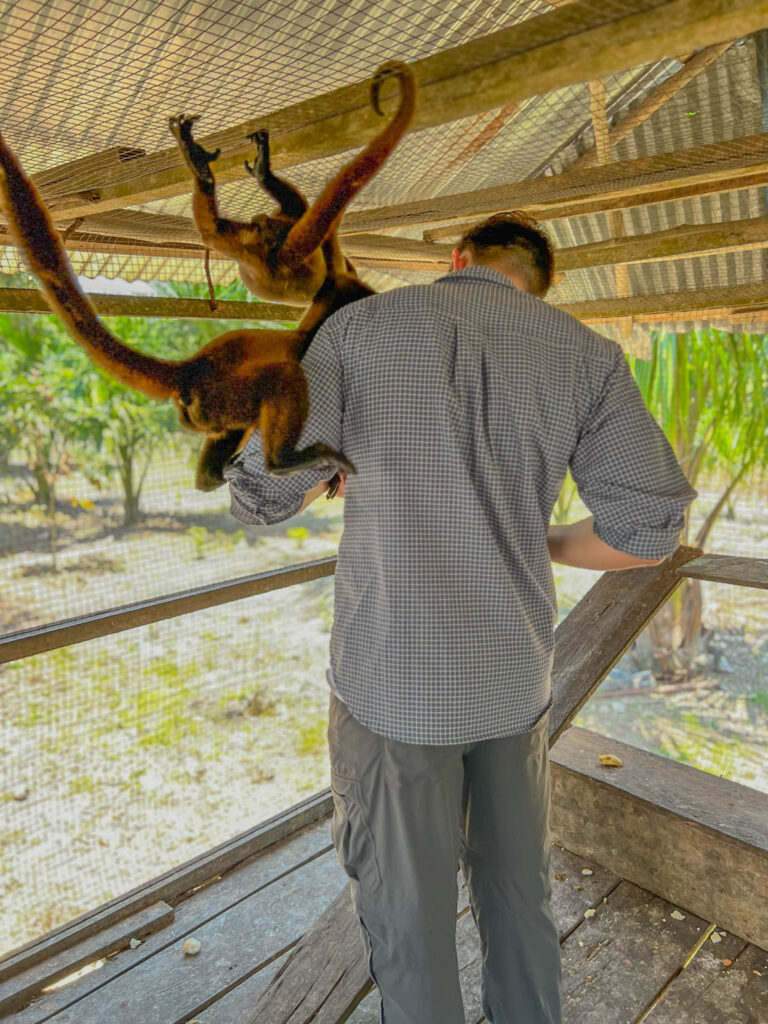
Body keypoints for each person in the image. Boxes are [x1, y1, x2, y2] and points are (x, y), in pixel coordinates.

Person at [224, 212, 696, 1024]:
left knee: (409, 924)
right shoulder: (585, 355)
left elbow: (260, 493)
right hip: (514, 688)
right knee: (520, 900)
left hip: (392, 691)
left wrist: (331, 474)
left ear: (457, 259)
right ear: (540, 285)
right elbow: (647, 530)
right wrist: (534, 537)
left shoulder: (356, 330)